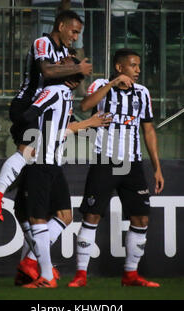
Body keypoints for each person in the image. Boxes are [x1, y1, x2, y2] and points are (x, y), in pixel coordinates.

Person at [0, 10, 92, 228]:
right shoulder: (43, 42)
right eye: (74, 31)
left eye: (79, 33)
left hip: (44, 110)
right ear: (61, 26)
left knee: (34, 159)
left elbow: (67, 81)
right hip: (28, 105)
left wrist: (72, 76)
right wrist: (76, 68)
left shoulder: (65, 52)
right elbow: (47, 71)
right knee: (29, 151)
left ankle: (2, 195)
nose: (76, 37)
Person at [67, 48, 164, 288]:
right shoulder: (101, 85)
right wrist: (111, 83)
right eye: (133, 65)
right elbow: (84, 106)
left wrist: (157, 168)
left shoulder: (142, 93)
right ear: (120, 67)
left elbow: (148, 130)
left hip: (133, 164)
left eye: (139, 66)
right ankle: (80, 275)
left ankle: (130, 274)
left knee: (141, 218)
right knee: (92, 215)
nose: (138, 70)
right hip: (105, 161)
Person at [13, 56, 112, 288]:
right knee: (47, 217)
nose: (60, 65)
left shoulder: (60, 93)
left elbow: (32, 118)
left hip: (49, 164)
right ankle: (37, 271)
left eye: (65, 65)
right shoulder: (57, 92)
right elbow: (30, 119)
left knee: (50, 218)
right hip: (44, 161)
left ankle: (38, 269)